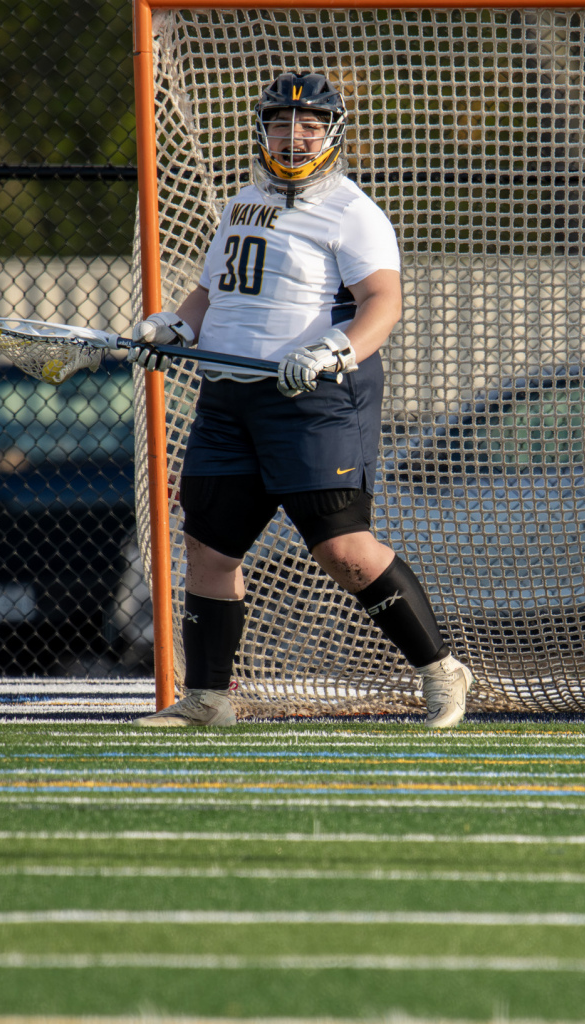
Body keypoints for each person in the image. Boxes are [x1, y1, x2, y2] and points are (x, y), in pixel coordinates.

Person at [129, 71, 472, 729]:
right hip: (227, 399)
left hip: (312, 399)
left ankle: (440, 670)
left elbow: (383, 303)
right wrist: (177, 326)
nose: (294, 137)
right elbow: (213, 292)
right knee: (208, 549)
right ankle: (208, 698)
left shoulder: (351, 211)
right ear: (262, 131)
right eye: (282, 124)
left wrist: (334, 350)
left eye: (309, 125)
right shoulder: (241, 202)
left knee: (343, 550)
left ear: (331, 133)